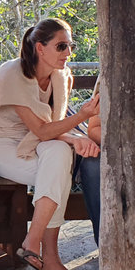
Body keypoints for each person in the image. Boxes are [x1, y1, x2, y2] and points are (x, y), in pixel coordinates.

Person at [0, 18, 100, 270]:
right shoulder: (13, 73)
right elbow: (42, 130)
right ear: (40, 48)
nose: (69, 53)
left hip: (38, 140)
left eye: (70, 46)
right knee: (57, 172)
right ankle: (48, 256)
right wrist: (82, 119)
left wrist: (73, 138)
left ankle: (33, 243)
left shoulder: (61, 76)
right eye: (61, 46)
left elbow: (51, 127)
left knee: (59, 156)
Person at [78, 75, 101, 245]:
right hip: (121, 146)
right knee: (92, 165)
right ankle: (108, 244)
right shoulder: (115, 72)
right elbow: (94, 129)